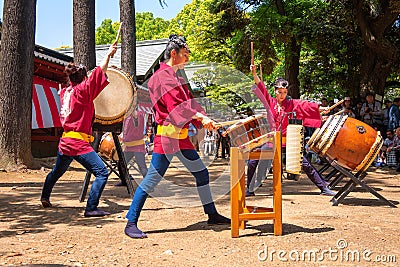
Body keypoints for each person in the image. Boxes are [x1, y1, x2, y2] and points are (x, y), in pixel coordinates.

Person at [124, 35, 230, 239]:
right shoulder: (162, 78)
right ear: (174, 54)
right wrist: (199, 117)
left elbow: (190, 104)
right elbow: (176, 108)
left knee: (202, 174)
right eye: (185, 54)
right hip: (167, 137)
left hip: (181, 137)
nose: (188, 58)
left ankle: (212, 214)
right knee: (152, 179)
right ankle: (131, 222)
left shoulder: (177, 77)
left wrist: (206, 118)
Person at [40, 43, 118, 217]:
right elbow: (100, 71)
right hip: (78, 143)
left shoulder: (65, 92)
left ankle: (45, 196)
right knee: (102, 172)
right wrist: (108, 54)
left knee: (57, 171)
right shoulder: (83, 91)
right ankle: (91, 208)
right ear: (84, 79)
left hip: (65, 141)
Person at [250, 64, 335, 196]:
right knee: (253, 160)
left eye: (284, 92)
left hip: (287, 142)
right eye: (279, 92)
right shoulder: (269, 102)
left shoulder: (292, 104)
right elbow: (261, 88)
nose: (282, 95)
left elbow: (305, 106)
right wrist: (254, 73)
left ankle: (323, 188)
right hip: (272, 141)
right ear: (275, 91)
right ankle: (249, 190)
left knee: (305, 163)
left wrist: (320, 108)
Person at [118, 109, 148, 185]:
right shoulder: (138, 115)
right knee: (121, 164)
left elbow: (127, 130)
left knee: (141, 166)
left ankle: (148, 185)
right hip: (132, 145)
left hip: (135, 145)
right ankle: (124, 181)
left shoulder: (132, 116)